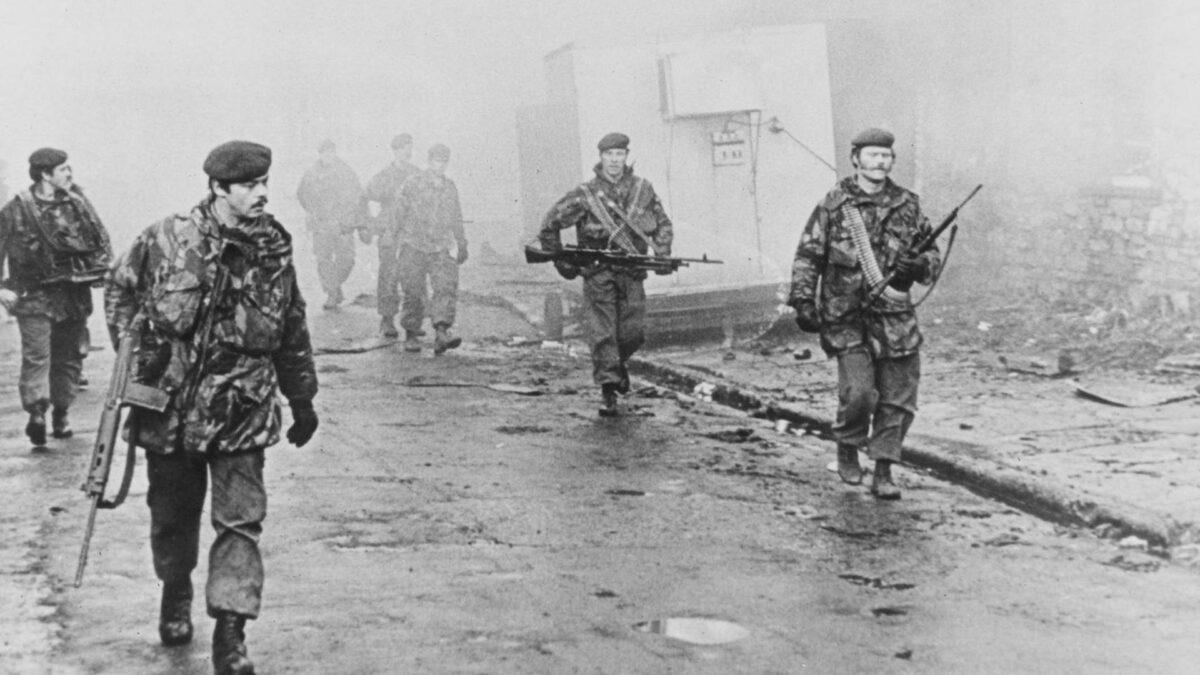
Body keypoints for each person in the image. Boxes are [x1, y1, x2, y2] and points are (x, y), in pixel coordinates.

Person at [105, 140, 319, 674]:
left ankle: (231, 631)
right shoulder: (167, 237)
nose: (262, 193)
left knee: (241, 522)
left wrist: (302, 397)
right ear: (218, 188)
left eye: (264, 182)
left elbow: (291, 321)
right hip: (171, 411)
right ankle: (175, 590)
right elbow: (120, 288)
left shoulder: (274, 247)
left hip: (242, 409)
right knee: (172, 516)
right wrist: (137, 362)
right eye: (249, 185)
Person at [787, 128, 941, 500]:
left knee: (898, 398)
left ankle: (884, 468)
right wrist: (804, 301)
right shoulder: (835, 205)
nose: (880, 162)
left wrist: (918, 265)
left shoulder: (908, 205)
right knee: (857, 393)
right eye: (872, 155)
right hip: (847, 316)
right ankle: (847, 446)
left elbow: (932, 256)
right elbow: (809, 255)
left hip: (895, 316)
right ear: (856, 159)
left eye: (886, 156)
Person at [538, 132, 673, 416]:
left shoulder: (643, 189)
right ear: (601, 158)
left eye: (619, 154)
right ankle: (608, 389)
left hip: (632, 272)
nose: (614, 160)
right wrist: (561, 260)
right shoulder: (585, 194)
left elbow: (663, 224)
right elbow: (550, 224)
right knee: (603, 333)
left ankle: (616, 367)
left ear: (626, 157)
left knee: (634, 333)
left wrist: (662, 253)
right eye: (609, 154)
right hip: (599, 273)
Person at [0, 148, 111, 446]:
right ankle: (37, 413)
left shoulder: (78, 204)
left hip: (72, 295)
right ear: (45, 175)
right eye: (63, 169)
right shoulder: (16, 209)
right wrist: (1, 288)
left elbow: (101, 241)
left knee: (69, 357)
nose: (69, 174)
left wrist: (100, 270)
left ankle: (61, 411)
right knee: (37, 356)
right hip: (33, 295)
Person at [392, 143, 468, 354]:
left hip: (440, 245)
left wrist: (462, 243)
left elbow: (456, 216)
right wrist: (394, 239)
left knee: (445, 288)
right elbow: (398, 212)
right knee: (413, 291)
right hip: (413, 244)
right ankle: (411, 334)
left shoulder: (449, 187)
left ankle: (442, 332)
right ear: (429, 161)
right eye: (436, 161)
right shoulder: (413, 183)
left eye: (444, 161)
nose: (440, 165)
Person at [295, 139, 366, 310]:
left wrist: (355, 220)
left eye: (331, 151)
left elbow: (358, 195)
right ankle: (332, 294)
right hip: (321, 224)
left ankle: (334, 285)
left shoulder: (346, 172)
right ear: (320, 154)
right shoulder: (311, 173)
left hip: (343, 224)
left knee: (347, 259)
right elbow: (301, 193)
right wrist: (312, 211)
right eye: (324, 152)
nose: (328, 155)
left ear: (335, 153)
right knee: (323, 260)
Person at [365, 133, 421, 338]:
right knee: (389, 275)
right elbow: (365, 196)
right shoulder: (383, 176)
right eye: (404, 147)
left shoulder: (417, 174)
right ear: (395, 150)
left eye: (410, 147)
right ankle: (387, 319)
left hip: (412, 233)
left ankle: (412, 322)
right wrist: (371, 224)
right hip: (390, 232)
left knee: (414, 276)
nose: (408, 151)